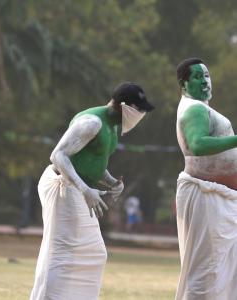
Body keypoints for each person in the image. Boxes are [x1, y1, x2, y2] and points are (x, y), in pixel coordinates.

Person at [30, 82, 154, 300]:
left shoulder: (113, 126)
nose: (141, 114)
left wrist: (112, 182)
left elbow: (94, 160)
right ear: (122, 106)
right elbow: (58, 156)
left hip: (76, 187)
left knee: (94, 252)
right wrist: (85, 189)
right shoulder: (92, 122)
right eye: (138, 109)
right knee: (61, 252)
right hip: (62, 185)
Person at [175, 58, 237, 300]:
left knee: (223, 272)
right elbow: (197, 145)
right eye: (198, 77)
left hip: (221, 199)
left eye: (207, 76)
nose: (205, 81)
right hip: (207, 197)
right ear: (184, 83)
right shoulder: (194, 109)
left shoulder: (200, 108)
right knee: (207, 272)